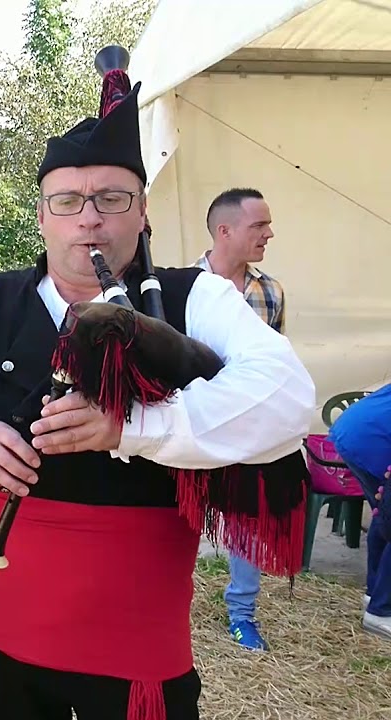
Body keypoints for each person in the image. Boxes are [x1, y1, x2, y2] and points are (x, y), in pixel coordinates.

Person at [0, 78, 315, 720]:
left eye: (112, 199)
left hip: (134, 640)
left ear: (142, 213)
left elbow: (287, 396)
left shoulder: (195, 297)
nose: (89, 217)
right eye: (67, 201)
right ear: (41, 217)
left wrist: (133, 427)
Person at [194, 187, 288, 652]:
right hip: (190, 425)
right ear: (224, 230)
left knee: (247, 521)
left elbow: (277, 365)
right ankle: (163, 598)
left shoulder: (270, 291)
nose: (269, 234)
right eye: (259, 225)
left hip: (246, 426)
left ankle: (242, 614)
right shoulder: (178, 287)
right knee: (174, 516)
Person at [328, 382, 391, 641]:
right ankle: (381, 610)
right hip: (372, 439)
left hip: (355, 428)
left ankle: (374, 593)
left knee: (384, 513)